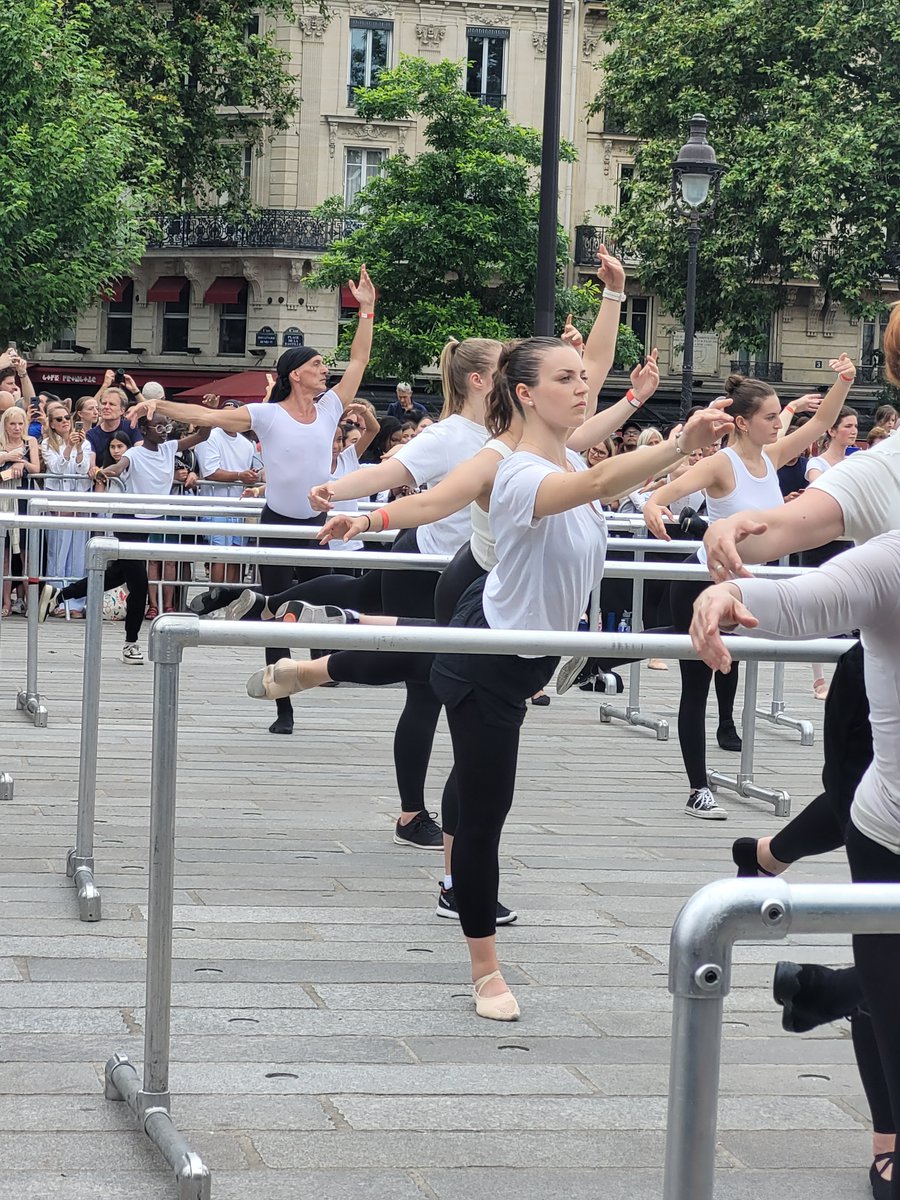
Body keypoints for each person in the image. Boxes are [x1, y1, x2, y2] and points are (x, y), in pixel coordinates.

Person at [690, 535, 900, 1200]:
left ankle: (833, 989)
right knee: (890, 961)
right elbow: (809, 587)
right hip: (886, 787)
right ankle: (889, 1141)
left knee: (890, 969)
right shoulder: (890, 540)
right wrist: (731, 592)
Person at [126, 266, 377, 727]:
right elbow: (207, 418)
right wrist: (157, 404)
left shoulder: (330, 408)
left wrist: (366, 310)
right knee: (275, 613)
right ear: (295, 374)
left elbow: (359, 361)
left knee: (327, 600)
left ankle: (316, 662)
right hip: (277, 523)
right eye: (317, 365)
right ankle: (283, 705)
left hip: (316, 525)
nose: (325, 369)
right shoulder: (266, 414)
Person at [642, 357, 856, 819]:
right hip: (703, 583)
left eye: (779, 415)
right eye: (770, 417)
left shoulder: (771, 457)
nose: (779, 424)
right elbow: (666, 491)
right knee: (695, 685)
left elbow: (819, 422)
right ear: (742, 422)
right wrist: (653, 506)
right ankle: (698, 789)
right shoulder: (723, 463)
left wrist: (843, 381)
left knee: (724, 665)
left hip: (744, 588)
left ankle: (604, 656)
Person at [38, 414, 210, 662]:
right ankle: (131, 644)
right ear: (144, 430)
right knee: (139, 585)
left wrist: (206, 412)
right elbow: (118, 468)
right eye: (159, 427)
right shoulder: (135, 453)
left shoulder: (169, 448)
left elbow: (202, 435)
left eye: (167, 426)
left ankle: (60, 594)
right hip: (130, 522)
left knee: (117, 575)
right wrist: (104, 473)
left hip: (149, 523)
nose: (164, 431)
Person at [193, 401, 261, 588]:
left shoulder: (248, 444)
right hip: (216, 506)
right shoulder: (211, 437)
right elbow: (210, 472)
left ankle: (232, 597)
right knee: (220, 554)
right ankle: (216, 597)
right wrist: (240, 475)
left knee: (237, 555)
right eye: (225, 414)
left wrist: (251, 476)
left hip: (240, 507)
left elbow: (252, 472)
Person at [40, 402, 94, 617]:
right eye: (59, 419)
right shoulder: (47, 444)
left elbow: (83, 469)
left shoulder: (85, 443)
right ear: (52, 424)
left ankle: (76, 602)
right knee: (57, 553)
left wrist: (78, 447)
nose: (64, 422)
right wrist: (69, 447)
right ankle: (56, 600)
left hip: (78, 504)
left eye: (66, 418)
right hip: (58, 505)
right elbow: (56, 468)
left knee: (78, 556)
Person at [0, 406, 41, 616]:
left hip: (23, 501)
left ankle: (30, 601)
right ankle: (6, 601)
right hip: (3, 501)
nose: (17, 428)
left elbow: (36, 468)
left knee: (27, 553)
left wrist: (21, 462)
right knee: (4, 555)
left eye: (20, 423)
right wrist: (7, 457)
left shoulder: (29, 441)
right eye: (12, 424)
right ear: (5, 425)